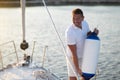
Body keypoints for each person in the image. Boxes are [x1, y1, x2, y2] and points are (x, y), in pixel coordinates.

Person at [65, 8, 99, 80]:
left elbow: (87, 33)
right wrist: (77, 68)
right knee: (73, 78)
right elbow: (74, 54)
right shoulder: (70, 32)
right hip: (72, 58)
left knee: (85, 77)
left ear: (83, 18)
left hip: (84, 56)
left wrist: (94, 33)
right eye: (74, 18)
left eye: (78, 18)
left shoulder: (85, 23)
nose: (75, 20)